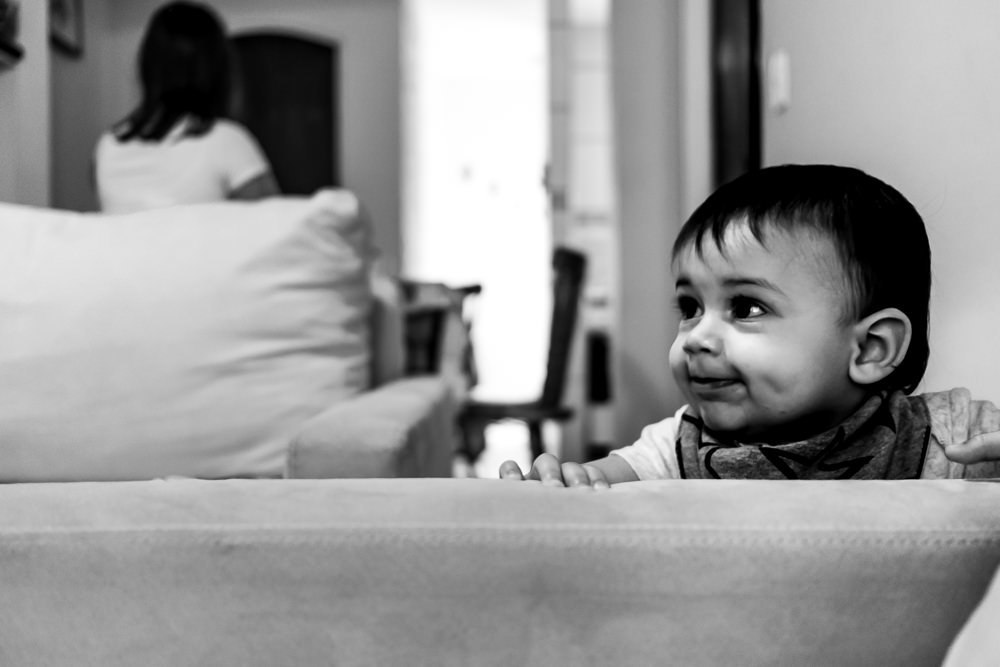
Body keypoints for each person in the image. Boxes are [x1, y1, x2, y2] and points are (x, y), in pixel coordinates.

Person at [500, 164, 1000, 487]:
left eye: (746, 308)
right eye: (690, 306)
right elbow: (594, 488)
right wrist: (561, 488)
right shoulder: (678, 449)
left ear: (870, 348)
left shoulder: (955, 440)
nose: (696, 337)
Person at [94, 1, 279, 213]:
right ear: (218, 71)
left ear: (148, 67)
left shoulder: (107, 145)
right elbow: (277, 233)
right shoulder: (228, 141)